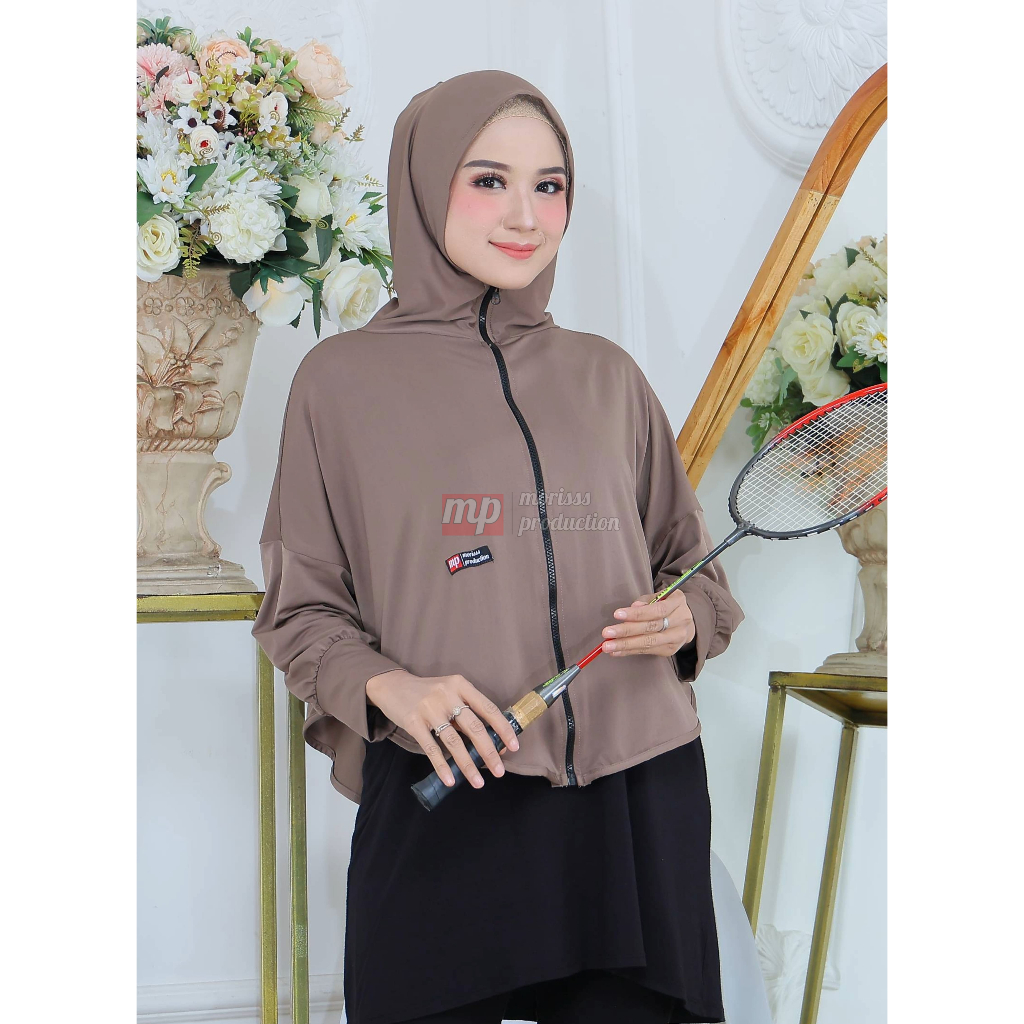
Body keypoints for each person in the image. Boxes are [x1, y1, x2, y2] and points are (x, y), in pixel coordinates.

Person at [252, 70, 745, 1024]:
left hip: (634, 787)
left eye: (549, 185)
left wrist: (687, 615)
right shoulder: (339, 384)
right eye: (489, 180)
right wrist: (391, 688)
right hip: (453, 772)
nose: (525, 215)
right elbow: (300, 609)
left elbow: (697, 571)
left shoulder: (608, 376)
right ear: (423, 183)